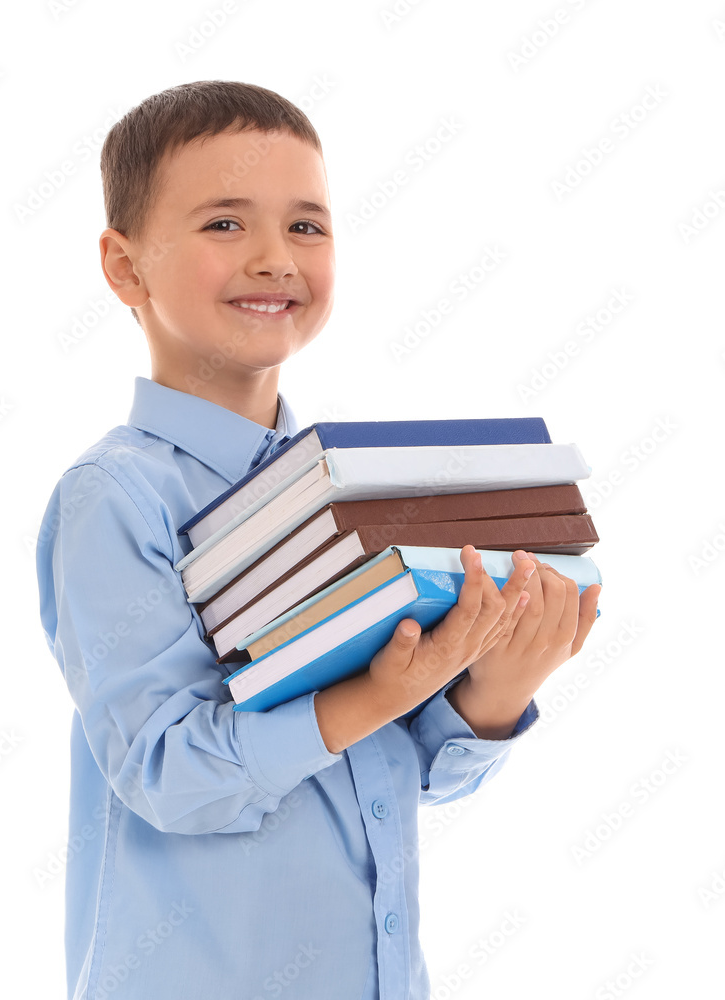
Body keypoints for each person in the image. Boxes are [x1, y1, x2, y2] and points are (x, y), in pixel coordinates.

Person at [35, 80, 601, 1000]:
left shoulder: (355, 495)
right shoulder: (116, 498)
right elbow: (170, 775)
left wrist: (494, 694)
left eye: (307, 227)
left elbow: (385, 774)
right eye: (225, 224)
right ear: (125, 267)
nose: (275, 259)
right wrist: (379, 691)